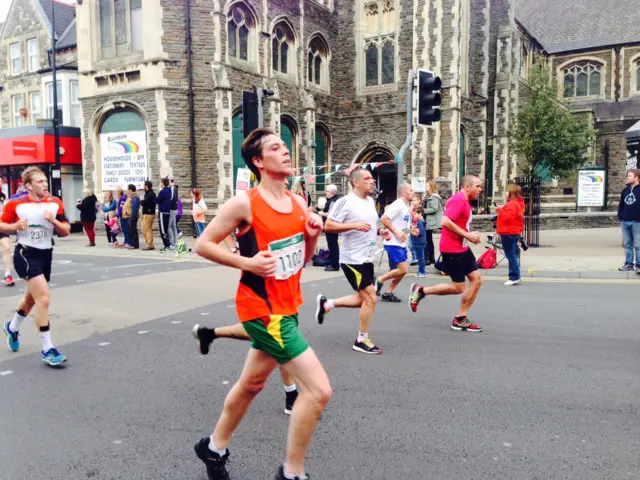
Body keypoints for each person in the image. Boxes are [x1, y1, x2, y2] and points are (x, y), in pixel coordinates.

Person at [192, 128, 331, 480]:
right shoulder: (245, 203)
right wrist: (247, 263)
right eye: (275, 147)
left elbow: (301, 261)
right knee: (317, 390)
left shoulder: (298, 202)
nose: (285, 151)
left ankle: (213, 448)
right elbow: (203, 244)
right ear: (258, 161)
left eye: (285, 146)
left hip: (288, 305)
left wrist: (312, 238)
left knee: (251, 385)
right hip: (262, 310)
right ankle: (292, 473)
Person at [1, 166, 71, 366]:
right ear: (28, 186)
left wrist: (54, 221)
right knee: (44, 299)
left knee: (31, 299)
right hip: (25, 253)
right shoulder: (16, 203)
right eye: (40, 181)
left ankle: (12, 327)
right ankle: (48, 349)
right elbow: (1, 224)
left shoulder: (55, 203)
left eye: (45, 181)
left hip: (45, 254)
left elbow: (66, 230)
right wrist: (15, 227)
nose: (45, 184)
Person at [315, 167, 389, 354]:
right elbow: (329, 225)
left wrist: (380, 232)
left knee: (360, 299)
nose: (372, 181)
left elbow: (369, 224)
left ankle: (327, 304)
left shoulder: (371, 201)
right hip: (352, 259)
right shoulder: (345, 202)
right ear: (356, 182)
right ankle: (361, 339)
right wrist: (353, 225)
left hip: (367, 257)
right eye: (367, 178)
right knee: (371, 298)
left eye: (372, 178)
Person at [408, 175, 484, 332]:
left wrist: (467, 235)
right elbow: (445, 221)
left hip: (462, 248)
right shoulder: (459, 200)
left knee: (476, 280)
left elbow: (457, 222)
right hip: (452, 250)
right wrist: (467, 235)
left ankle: (460, 318)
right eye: (477, 186)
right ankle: (421, 290)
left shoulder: (463, 200)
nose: (480, 190)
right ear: (467, 186)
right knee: (458, 287)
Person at [375, 183, 416, 302]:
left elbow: (402, 226)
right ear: (404, 193)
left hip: (400, 243)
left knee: (402, 272)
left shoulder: (405, 207)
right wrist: (397, 233)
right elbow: (384, 218)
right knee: (403, 269)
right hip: (392, 242)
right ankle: (379, 280)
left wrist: (410, 230)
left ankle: (388, 292)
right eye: (411, 190)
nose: (413, 192)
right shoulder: (397, 205)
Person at [497, 184, 525, 285]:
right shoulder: (517, 203)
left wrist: (500, 210)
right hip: (514, 231)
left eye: (507, 190)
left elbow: (508, 218)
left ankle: (514, 277)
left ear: (512, 192)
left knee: (510, 255)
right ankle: (514, 276)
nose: (505, 193)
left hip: (508, 232)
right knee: (512, 254)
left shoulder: (512, 204)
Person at [617, 169, 640, 272]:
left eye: (630, 176)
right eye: (628, 175)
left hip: (637, 222)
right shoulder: (625, 190)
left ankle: (639, 265)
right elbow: (621, 205)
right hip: (625, 221)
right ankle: (629, 264)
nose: (627, 177)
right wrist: (620, 217)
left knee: (638, 244)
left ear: (636, 177)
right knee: (627, 244)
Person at [316, 184, 340, 271]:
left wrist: (321, 213)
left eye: (327, 191)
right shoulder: (332, 200)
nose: (326, 192)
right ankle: (332, 262)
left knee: (333, 245)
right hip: (331, 225)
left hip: (332, 226)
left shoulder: (333, 201)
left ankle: (334, 265)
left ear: (331, 193)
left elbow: (331, 214)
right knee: (332, 245)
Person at [423, 181, 443, 265]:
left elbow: (434, 209)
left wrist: (423, 211)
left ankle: (428, 259)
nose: (426, 187)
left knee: (426, 240)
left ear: (431, 187)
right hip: (428, 220)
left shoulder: (434, 197)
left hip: (430, 221)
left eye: (427, 186)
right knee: (429, 240)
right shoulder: (429, 196)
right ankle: (431, 258)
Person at [0, 194, 15, 286]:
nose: (0, 182)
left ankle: (7, 275)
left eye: (1, 181)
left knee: (7, 248)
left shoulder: (2, 196)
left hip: (2, 225)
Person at [156, 178, 173, 251]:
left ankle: (167, 245)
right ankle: (168, 244)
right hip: (168, 211)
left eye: (161, 182)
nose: (160, 184)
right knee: (166, 228)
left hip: (163, 212)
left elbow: (157, 200)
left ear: (163, 183)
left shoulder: (163, 191)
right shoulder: (169, 190)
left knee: (163, 229)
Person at [411, 206, 427, 277]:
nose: (414, 215)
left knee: (420, 258)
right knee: (420, 258)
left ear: (420, 213)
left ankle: (422, 272)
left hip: (420, 242)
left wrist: (413, 230)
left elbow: (420, 232)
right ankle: (420, 271)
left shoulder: (421, 222)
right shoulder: (420, 222)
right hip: (419, 242)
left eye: (415, 214)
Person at [124, 184, 140, 249]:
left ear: (130, 190)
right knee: (131, 230)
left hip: (132, 217)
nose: (127, 190)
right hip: (130, 216)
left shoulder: (135, 197)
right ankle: (132, 243)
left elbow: (135, 208)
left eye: (128, 189)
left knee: (133, 230)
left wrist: (132, 217)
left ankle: (135, 245)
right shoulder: (131, 196)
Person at [141, 181, 156, 250]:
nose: (143, 186)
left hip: (148, 214)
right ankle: (149, 243)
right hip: (146, 213)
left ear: (146, 186)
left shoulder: (150, 194)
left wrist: (141, 201)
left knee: (147, 229)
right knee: (144, 229)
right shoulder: (147, 193)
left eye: (144, 185)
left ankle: (150, 245)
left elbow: (145, 203)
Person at [167, 175, 179, 247]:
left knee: (169, 226)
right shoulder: (175, 187)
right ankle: (176, 242)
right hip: (174, 208)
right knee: (173, 225)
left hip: (172, 208)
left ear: (169, 180)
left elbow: (172, 198)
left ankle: (172, 243)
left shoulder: (172, 187)